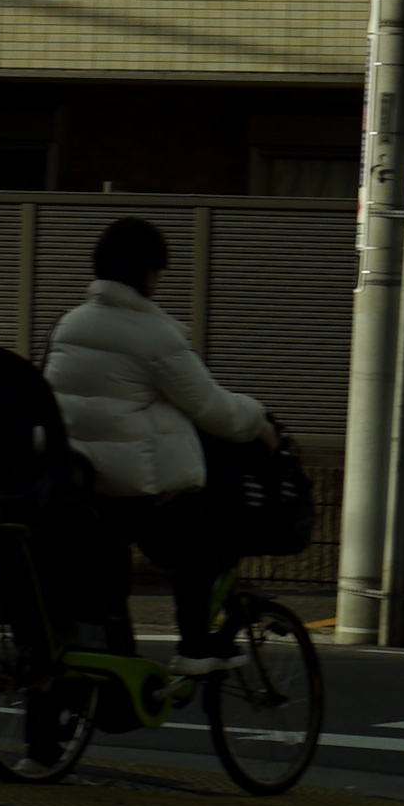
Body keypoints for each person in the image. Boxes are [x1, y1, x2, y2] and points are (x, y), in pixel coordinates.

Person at [46, 217, 273, 673]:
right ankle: (193, 644)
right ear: (148, 272)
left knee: (108, 576)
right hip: (127, 487)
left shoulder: (69, 325)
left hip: (76, 482)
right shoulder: (152, 334)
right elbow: (211, 408)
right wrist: (259, 420)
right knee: (205, 530)